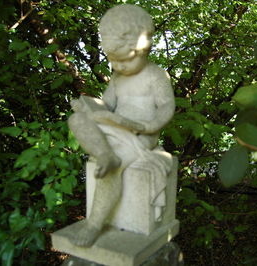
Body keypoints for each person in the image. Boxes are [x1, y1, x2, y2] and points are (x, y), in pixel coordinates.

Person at [67, 4, 175, 247]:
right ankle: (105, 155)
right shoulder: (117, 78)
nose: (118, 68)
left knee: (113, 169)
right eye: (113, 62)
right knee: (76, 119)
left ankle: (94, 223)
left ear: (143, 49)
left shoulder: (155, 75)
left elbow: (167, 108)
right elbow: (106, 104)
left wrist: (145, 126)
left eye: (124, 61)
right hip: (114, 128)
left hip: (139, 134)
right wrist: (88, 106)